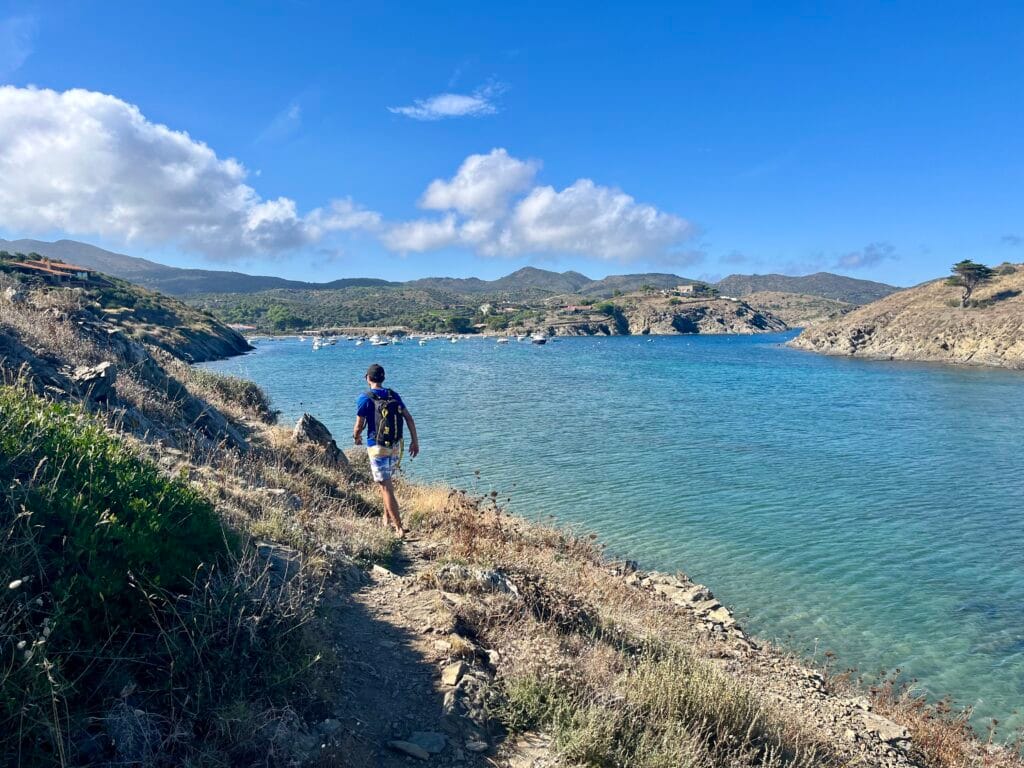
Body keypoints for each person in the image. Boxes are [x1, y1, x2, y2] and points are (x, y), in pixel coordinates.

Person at [353, 363, 419, 537]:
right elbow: (409, 418)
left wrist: (356, 437)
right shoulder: (393, 395)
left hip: (377, 447)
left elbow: (359, 425)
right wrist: (415, 442)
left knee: (386, 487)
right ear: (383, 378)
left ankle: (398, 527)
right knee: (386, 484)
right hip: (396, 445)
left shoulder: (365, 398)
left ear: (368, 378)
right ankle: (386, 518)